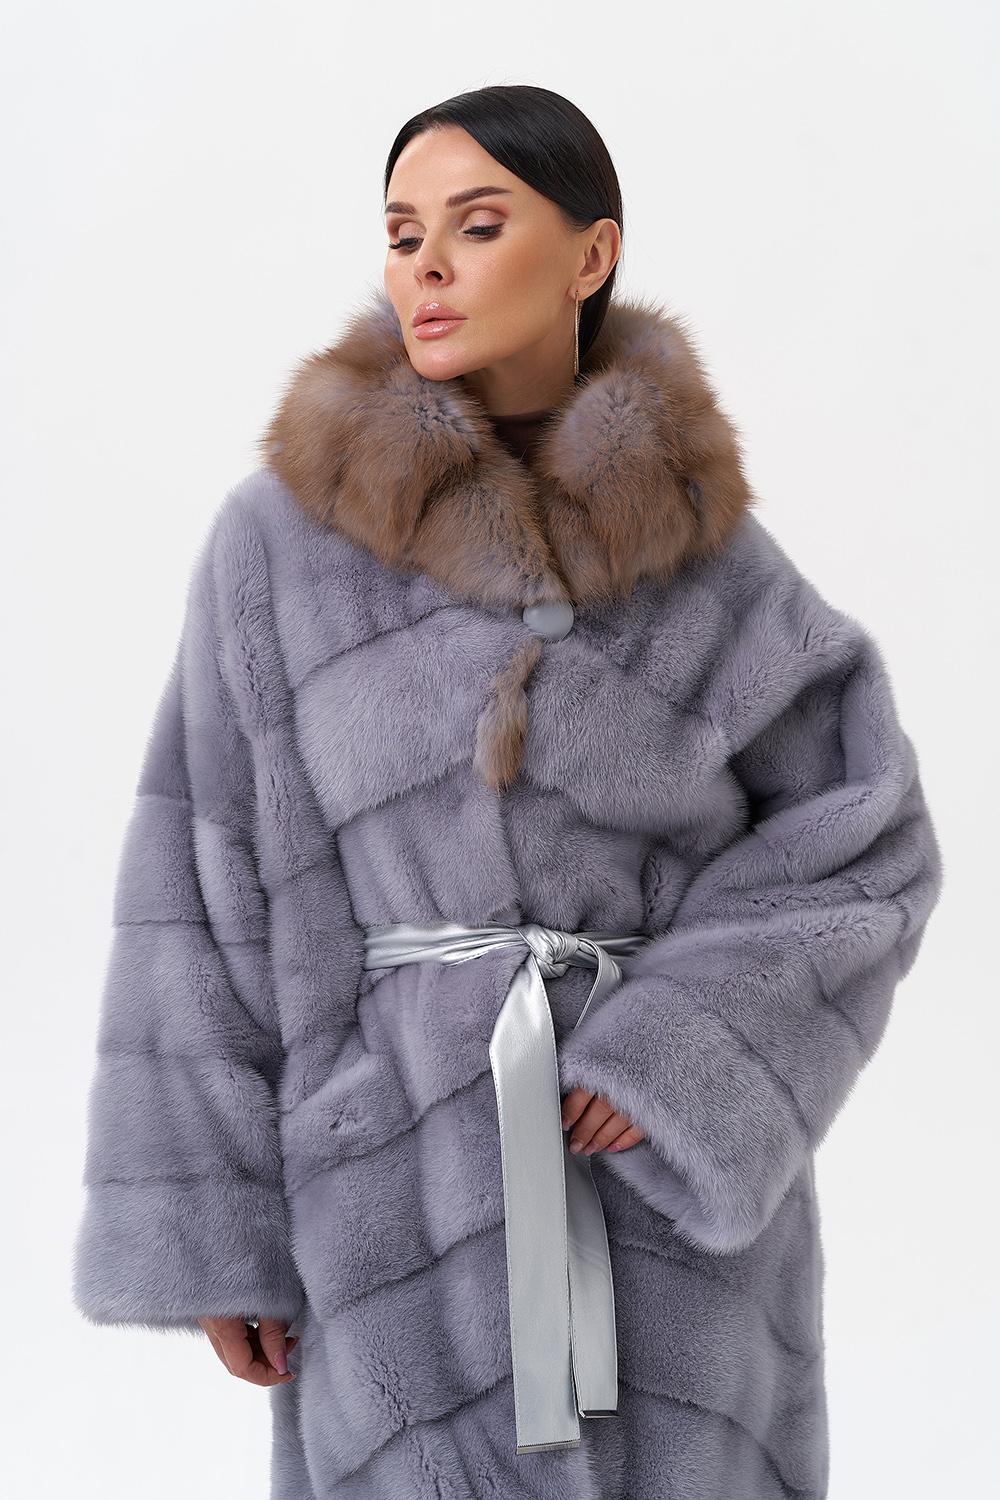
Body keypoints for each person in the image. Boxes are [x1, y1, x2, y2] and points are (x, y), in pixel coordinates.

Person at [73, 84, 943, 1500]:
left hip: (653, 1201)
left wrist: (683, 1052)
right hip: (389, 1190)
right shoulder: (281, 544)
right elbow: (204, 884)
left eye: (477, 227)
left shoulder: (711, 561)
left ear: (593, 253)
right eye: (402, 232)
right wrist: (217, 1232)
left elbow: (862, 836)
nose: (425, 266)